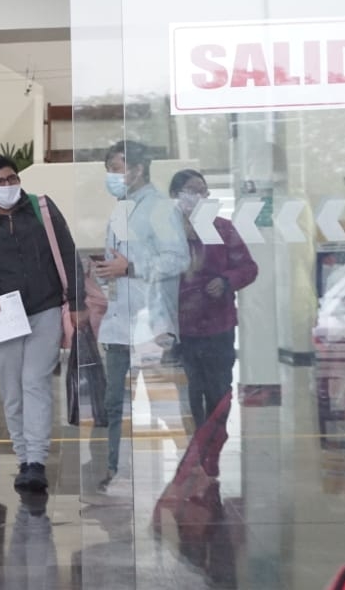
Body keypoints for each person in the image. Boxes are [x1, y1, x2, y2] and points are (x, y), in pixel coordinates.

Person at [0, 153, 83, 493]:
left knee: (35, 382)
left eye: (12, 178)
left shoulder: (43, 209)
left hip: (45, 308)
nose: (9, 186)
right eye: (0, 182)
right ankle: (23, 458)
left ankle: (37, 461)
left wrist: (78, 303)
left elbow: (68, 254)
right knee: (11, 389)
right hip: (2, 317)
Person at [94, 140, 190, 493]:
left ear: (137, 168)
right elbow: (114, 261)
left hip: (151, 324)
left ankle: (185, 469)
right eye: (109, 170)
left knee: (161, 402)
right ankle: (118, 470)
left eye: (117, 168)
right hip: (118, 324)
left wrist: (132, 266)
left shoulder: (160, 208)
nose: (112, 176)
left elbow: (178, 259)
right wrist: (107, 274)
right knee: (115, 402)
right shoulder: (121, 209)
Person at [169, 169, 257, 430]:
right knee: (191, 390)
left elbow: (249, 268)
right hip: (183, 327)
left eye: (204, 191)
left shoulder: (223, 228)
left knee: (219, 389)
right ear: (176, 195)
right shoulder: (166, 232)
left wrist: (227, 280)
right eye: (193, 190)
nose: (200, 196)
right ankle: (197, 441)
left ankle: (215, 441)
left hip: (219, 325)